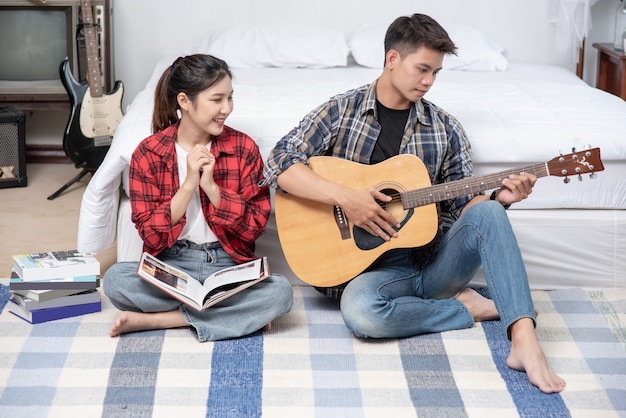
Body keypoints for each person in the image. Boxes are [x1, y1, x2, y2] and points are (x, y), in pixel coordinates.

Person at [262, 14, 565, 393]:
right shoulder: (342, 111)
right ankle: (465, 307)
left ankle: (524, 340)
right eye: (422, 69)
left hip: (429, 262)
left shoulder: (445, 128)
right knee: (360, 312)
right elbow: (279, 161)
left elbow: (462, 220)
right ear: (392, 59)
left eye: (436, 73)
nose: (429, 81)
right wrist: (347, 198)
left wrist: (499, 201)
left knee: (488, 210)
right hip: (365, 273)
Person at [103, 54, 293, 341]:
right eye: (217, 100)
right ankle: (237, 315)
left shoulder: (243, 148)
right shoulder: (149, 152)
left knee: (280, 293)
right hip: (172, 263)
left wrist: (213, 189)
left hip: (228, 262)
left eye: (230, 98)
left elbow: (254, 227)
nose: (226, 108)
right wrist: (189, 183)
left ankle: (165, 320)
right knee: (115, 280)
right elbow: (151, 236)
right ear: (184, 101)